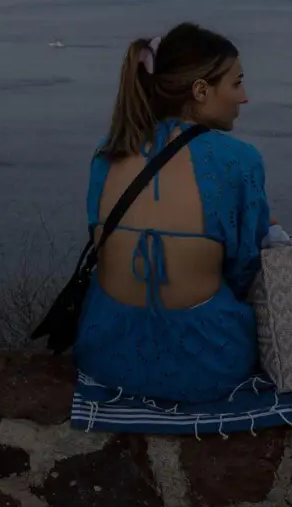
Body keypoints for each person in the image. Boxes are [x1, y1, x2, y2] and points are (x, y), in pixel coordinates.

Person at [74, 22, 277, 403]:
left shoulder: (109, 151)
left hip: (105, 354)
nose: (244, 97)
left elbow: (99, 241)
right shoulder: (238, 161)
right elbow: (245, 270)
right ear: (200, 90)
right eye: (236, 84)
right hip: (208, 363)